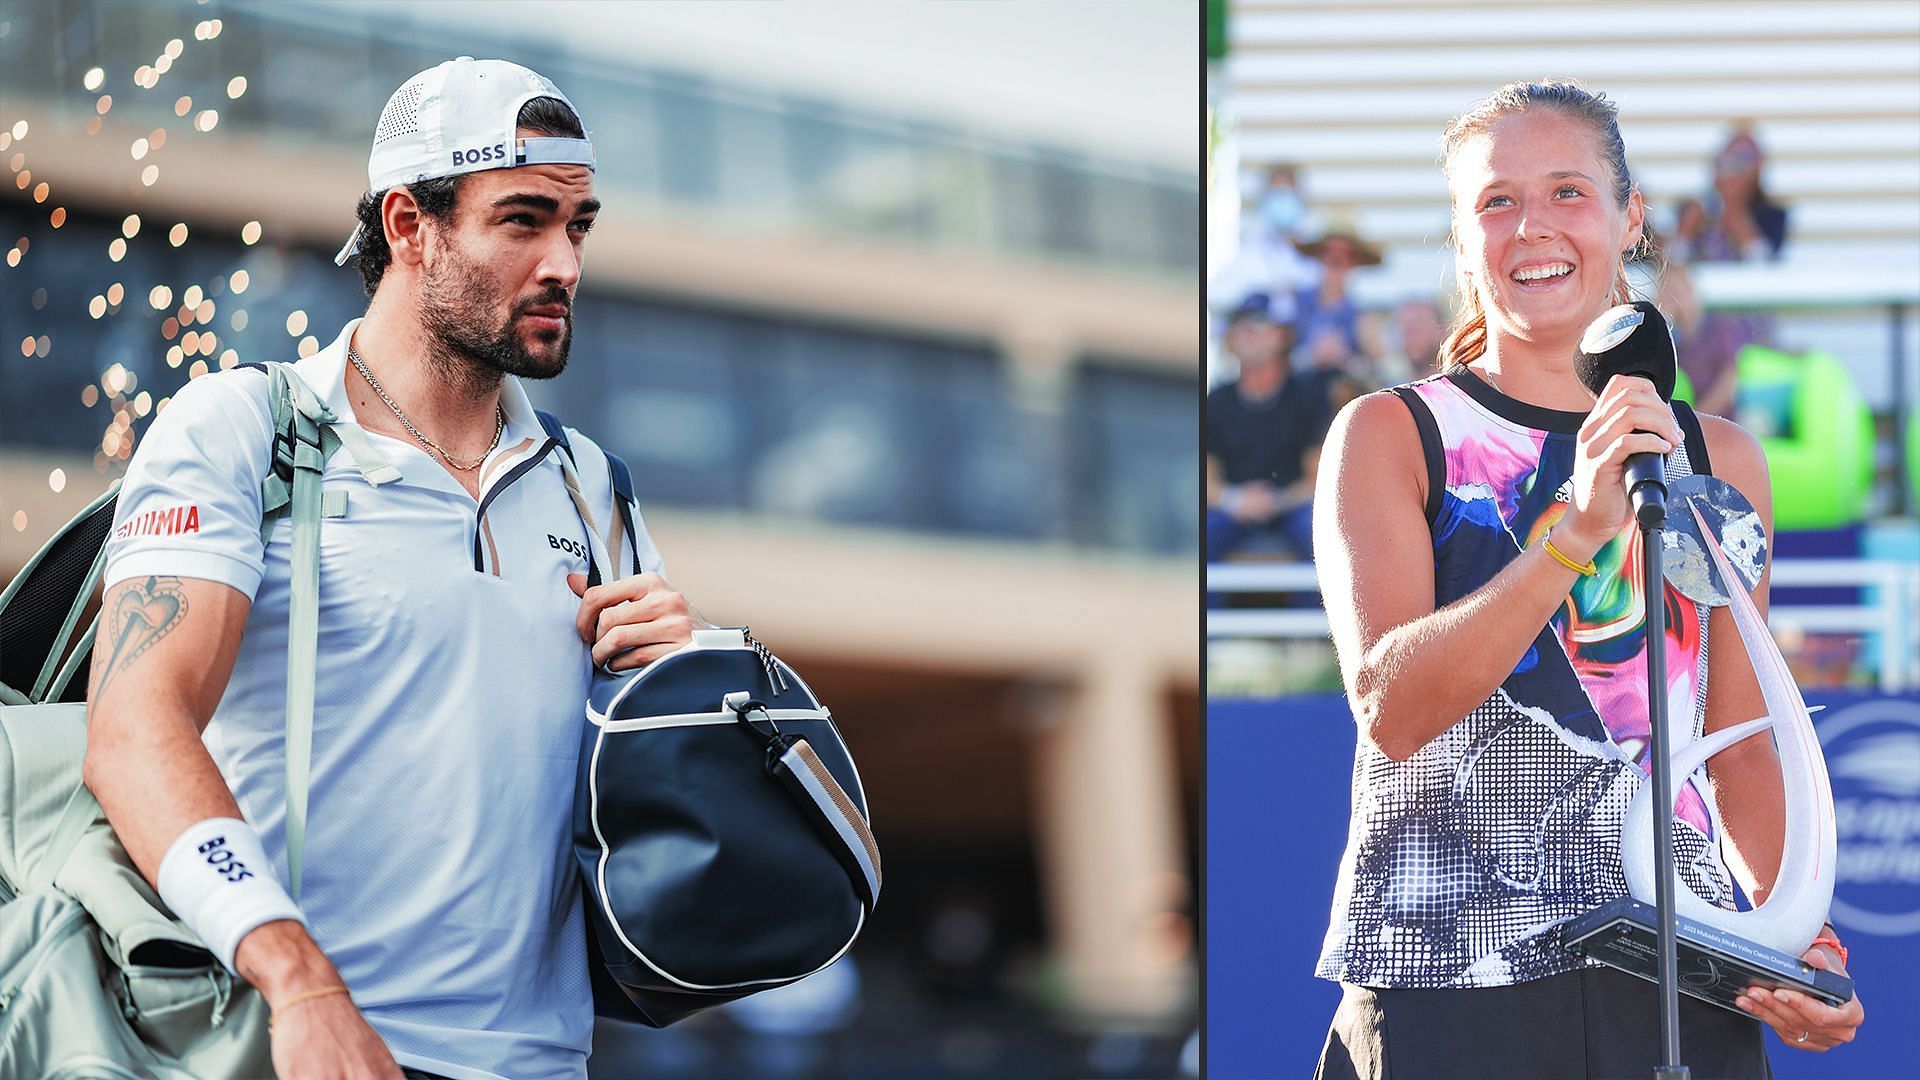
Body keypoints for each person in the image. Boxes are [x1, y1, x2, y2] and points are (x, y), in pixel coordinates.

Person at [83, 59, 700, 1079]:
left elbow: (622, 806)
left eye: (579, 225)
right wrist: (296, 979)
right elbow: (132, 731)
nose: (566, 264)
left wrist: (670, 681)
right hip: (299, 1040)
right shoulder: (247, 429)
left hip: (541, 1063)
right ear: (409, 225)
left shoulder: (595, 485)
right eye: (523, 221)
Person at [1310, 82, 1865, 1078]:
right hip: (1451, 977)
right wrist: (1575, 536)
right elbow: (1390, 709)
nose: (1533, 228)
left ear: (1629, 214)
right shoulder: (1393, 434)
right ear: (1460, 233)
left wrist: (1794, 935)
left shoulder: (1721, 458)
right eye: (1496, 201)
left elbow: (1737, 745)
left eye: (1568, 191)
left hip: (1678, 976)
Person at [1206, 293, 1329, 568]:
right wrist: (1234, 500)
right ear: (1230, 340)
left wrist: (1276, 500)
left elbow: (1317, 479)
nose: (1250, 334)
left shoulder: (1307, 398)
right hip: (1232, 510)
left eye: (1261, 326)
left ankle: (1313, 612)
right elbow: (1207, 479)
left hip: (1291, 507)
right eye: (1242, 327)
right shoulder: (1215, 402)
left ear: (1282, 337)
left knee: (1315, 531)